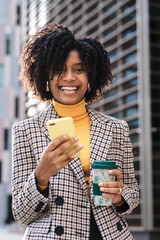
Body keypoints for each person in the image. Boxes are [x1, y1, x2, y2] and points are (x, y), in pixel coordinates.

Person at [12, 23, 139, 240]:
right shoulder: (25, 130)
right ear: (45, 75)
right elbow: (21, 213)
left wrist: (119, 196)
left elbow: (132, 195)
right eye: (59, 69)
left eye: (79, 69)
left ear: (91, 75)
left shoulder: (116, 128)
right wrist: (41, 174)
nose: (69, 77)